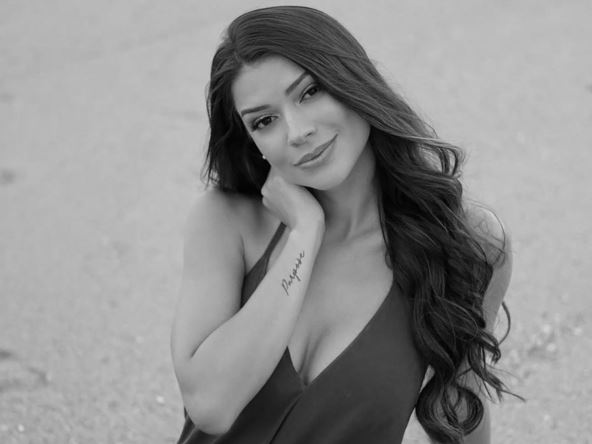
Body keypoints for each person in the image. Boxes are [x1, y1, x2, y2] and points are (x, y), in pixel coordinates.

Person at [170, 6, 516, 444]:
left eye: (310, 91)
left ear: (352, 81)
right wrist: (304, 234)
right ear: (252, 141)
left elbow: (459, 408)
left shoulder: (468, 241)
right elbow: (211, 405)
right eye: (264, 121)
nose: (297, 131)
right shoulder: (226, 221)